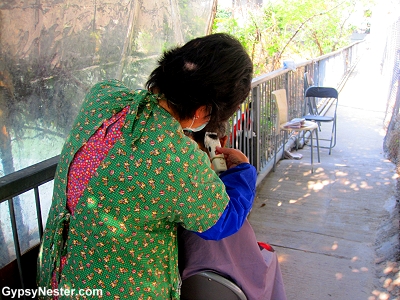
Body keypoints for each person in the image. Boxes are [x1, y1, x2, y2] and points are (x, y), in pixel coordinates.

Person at [36, 33, 256, 299]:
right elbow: (222, 220)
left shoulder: (103, 97)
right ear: (202, 111)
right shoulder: (177, 158)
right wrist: (242, 171)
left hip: (60, 276)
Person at [180, 122, 287, 300]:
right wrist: (243, 171)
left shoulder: (167, 180)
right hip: (228, 285)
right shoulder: (217, 206)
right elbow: (221, 221)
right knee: (268, 258)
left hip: (188, 282)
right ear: (220, 142)